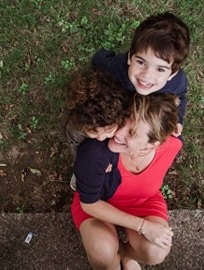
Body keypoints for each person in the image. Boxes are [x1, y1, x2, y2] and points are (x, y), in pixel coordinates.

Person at [71, 93, 182, 269]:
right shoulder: (95, 152)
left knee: (156, 252)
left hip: (142, 202)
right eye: (123, 122)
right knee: (102, 253)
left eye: (132, 133)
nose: (118, 134)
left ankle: (125, 253)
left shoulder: (172, 147)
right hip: (99, 204)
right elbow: (89, 204)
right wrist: (143, 226)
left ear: (152, 144)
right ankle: (114, 262)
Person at [92, 11, 190, 137]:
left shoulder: (176, 83)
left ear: (172, 74)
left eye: (160, 69)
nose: (147, 75)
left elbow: (180, 97)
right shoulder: (115, 68)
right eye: (141, 62)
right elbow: (101, 63)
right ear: (129, 57)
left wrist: (178, 119)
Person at [64, 68, 131, 151]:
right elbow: (75, 147)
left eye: (109, 130)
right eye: (93, 132)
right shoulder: (75, 130)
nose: (101, 138)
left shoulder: (124, 126)